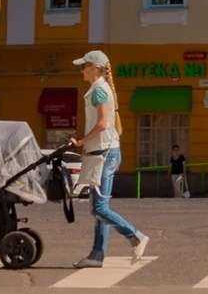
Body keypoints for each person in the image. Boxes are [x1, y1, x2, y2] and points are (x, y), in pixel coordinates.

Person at [71, 51, 150, 270]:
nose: (82, 70)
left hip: (103, 153)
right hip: (104, 152)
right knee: (99, 209)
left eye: (84, 66)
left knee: (99, 208)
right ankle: (97, 255)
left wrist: (81, 141)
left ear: (95, 68)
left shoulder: (98, 90)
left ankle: (135, 236)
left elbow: (105, 123)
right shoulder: (99, 88)